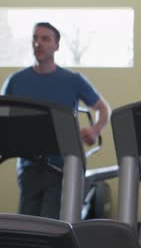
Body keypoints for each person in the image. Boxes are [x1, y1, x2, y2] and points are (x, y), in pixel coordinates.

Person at [0, 22, 111, 220]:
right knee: (27, 222)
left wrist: (95, 130)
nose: (38, 43)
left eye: (45, 39)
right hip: (28, 165)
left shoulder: (73, 80)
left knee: (50, 222)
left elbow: (103, 109)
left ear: (56, 46)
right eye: (35, 38)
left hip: (61, 165)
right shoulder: (16, 81)